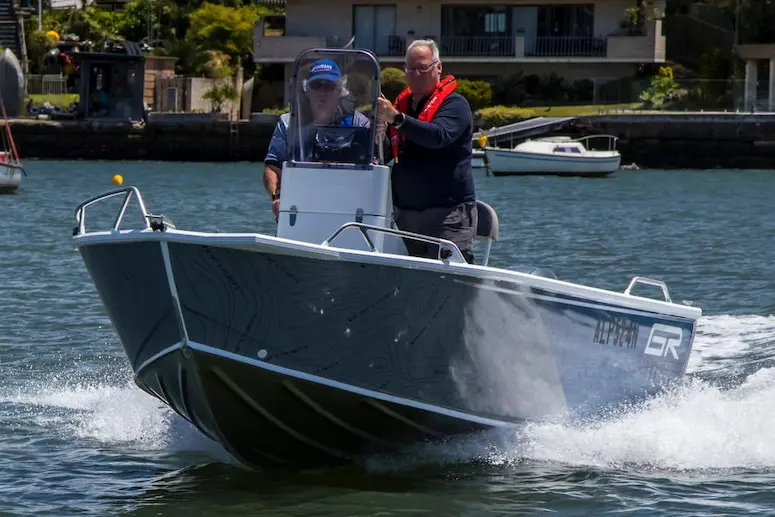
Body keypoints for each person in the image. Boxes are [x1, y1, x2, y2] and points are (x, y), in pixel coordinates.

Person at [376, 39, 477, 264]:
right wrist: (378, 131)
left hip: (447, 216)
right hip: (407, 217)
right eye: (411, 69)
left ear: (438, 68)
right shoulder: (402, 107)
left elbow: (437, 136)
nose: (417, 74)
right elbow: (384, 152)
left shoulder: (455, 105)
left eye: (423, 68)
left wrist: (397, 119)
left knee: (448, 283)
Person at [263, 58, 372, 220]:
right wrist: (277, 198)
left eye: (329, 86)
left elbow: (373, 170)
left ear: (340, 90)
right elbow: (272, 166)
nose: (322, 93)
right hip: (299, 209)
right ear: (307, 89)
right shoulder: (288, 124)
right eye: (316, 85)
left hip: (349, 211)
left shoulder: (360, 123)